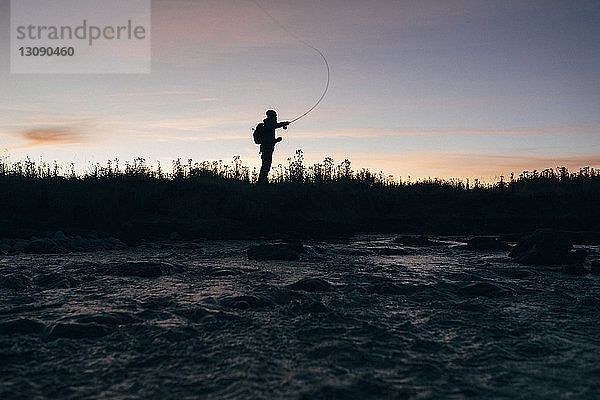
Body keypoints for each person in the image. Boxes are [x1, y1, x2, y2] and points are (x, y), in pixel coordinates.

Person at [258, 110, 289, 183]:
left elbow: (269, 139)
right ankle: (261, 182)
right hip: (267, 148)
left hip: (267, 147)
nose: (276, 118)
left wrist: (276, 140)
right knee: (266, 164)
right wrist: (283, 124)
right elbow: (274, 127)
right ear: (271, 116)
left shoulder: (268, 124)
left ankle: (263, 181)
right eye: (275, 116)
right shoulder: (268, 124)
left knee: (266, 164)